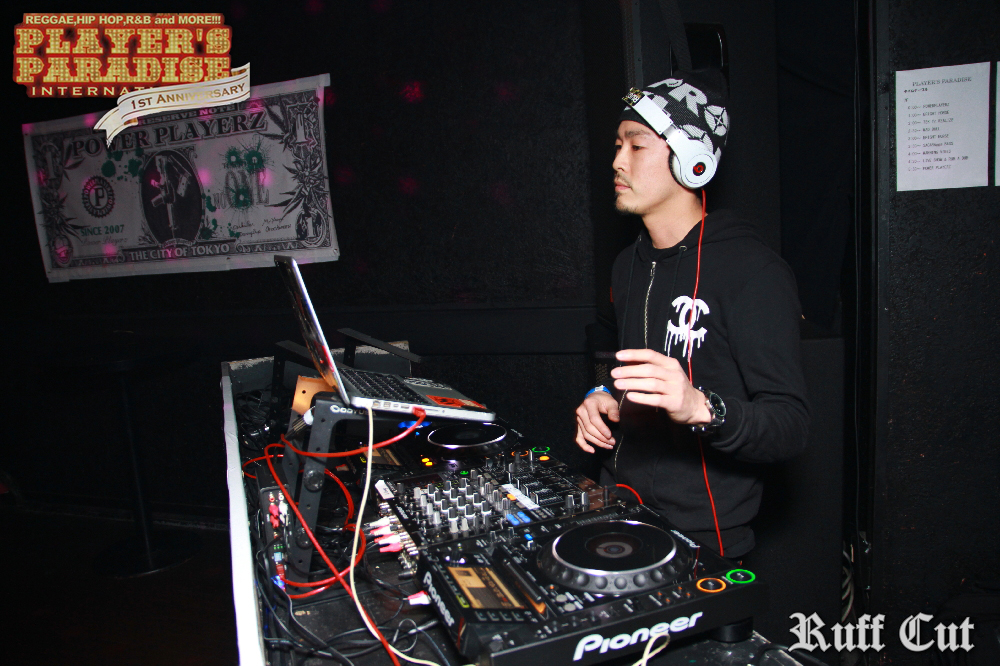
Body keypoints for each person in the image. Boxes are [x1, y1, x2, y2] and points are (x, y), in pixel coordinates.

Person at [574, 71, 809, 558]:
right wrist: (600, 391)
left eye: (636, 145)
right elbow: (607, 348)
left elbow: (790, 425)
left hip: (704, 538)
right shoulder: (626, 263)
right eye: (617, 146)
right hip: (616, 506)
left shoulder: (753, 271)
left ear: (691, 160)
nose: (617, 161)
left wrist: (703, 408)